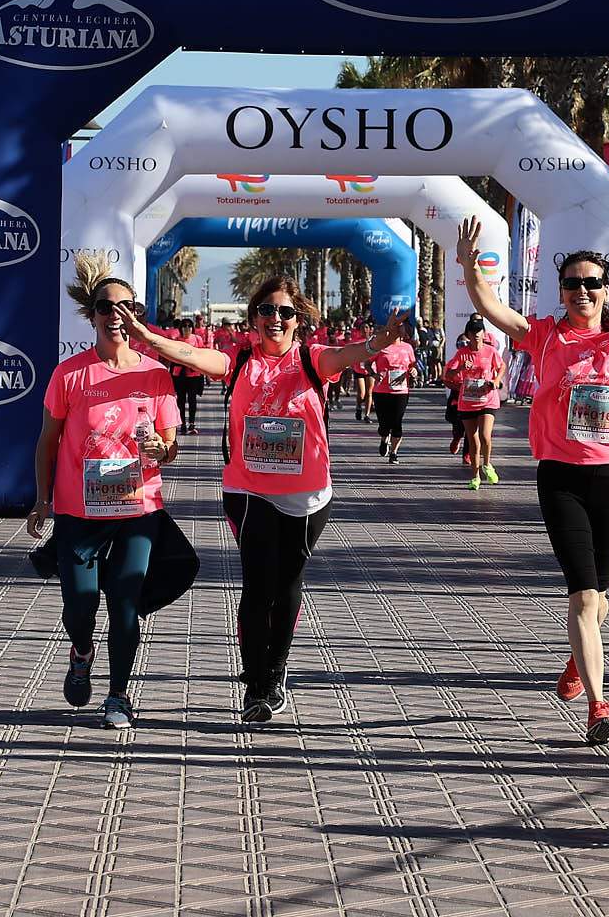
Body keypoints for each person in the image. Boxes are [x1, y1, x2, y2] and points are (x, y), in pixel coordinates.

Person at [457, 203, 609, 744]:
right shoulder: (544, 335)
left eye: (591, 284)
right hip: (561, 477)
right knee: (584, 596)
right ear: (560, 289)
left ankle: (576, 660)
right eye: (571, 284)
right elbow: (496, 309)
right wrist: (471, 271)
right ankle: (599, 705)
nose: (582, 292)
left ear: (606, 291)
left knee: (600, 593)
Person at [125, 280, 411, 724]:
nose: (275, 319)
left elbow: (348, 355)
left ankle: (276, 671)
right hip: (248, 490)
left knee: (288, 587)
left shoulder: (310, 359)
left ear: (298, 318)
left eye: (285, 312)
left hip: (307, 494)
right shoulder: (239, 360)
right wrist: (149, 338)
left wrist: (377, 342)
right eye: (266, 310)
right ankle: (257, 684)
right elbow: (193, 356)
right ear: (254, 317)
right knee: (258, 586)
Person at [27, 255, 181, 729]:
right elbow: (47, 441)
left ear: (136, 315)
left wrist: (161, 448)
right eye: (105, 308)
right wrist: (41, 499)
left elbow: (168, 446)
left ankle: (118, 696)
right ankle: (80, 648)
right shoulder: (70, 374)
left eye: (126, 307)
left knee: (125, 601)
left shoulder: (155, 374)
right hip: (79, 509)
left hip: (138, 507)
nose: (116, 316)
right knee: (80, 603)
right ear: (91, 316)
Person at [444, 316, 504, 489]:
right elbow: (448, 375)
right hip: (468, 401)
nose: (476, 335)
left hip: (487, 400)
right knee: (473, 439)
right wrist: (462, 368)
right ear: (467, 335)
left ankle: (487, 465)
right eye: (473, 332)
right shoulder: (462, 353)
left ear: (484, 333)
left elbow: (501, 366)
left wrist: (496, 380)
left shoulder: (490, 351)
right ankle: (475, 476)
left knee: (485, 436)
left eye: (479, 331)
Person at [370, 318, 417, 463]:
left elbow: (412, 365)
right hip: (381, 391)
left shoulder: (407, 348)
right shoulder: (381, 346)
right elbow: (367, 363)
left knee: (397, 422)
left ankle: (394, 453)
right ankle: (384, 439)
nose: (400, 330)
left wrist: (413, 371)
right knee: (384, 424)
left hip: (401, 391)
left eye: (402, 328)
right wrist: (374, 374)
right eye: (397, 327)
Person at [167, 317, 207, 435]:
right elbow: (172, 357)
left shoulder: (197, 339)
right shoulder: (176, 341)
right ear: (181, 328)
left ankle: (192, 423)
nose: (187, 328)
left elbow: (201, 355)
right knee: (181, 400)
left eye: (189, 326)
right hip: (179, 374)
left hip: (193, 374)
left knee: (192, 399)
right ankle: (183, 423)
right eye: (184, 326)